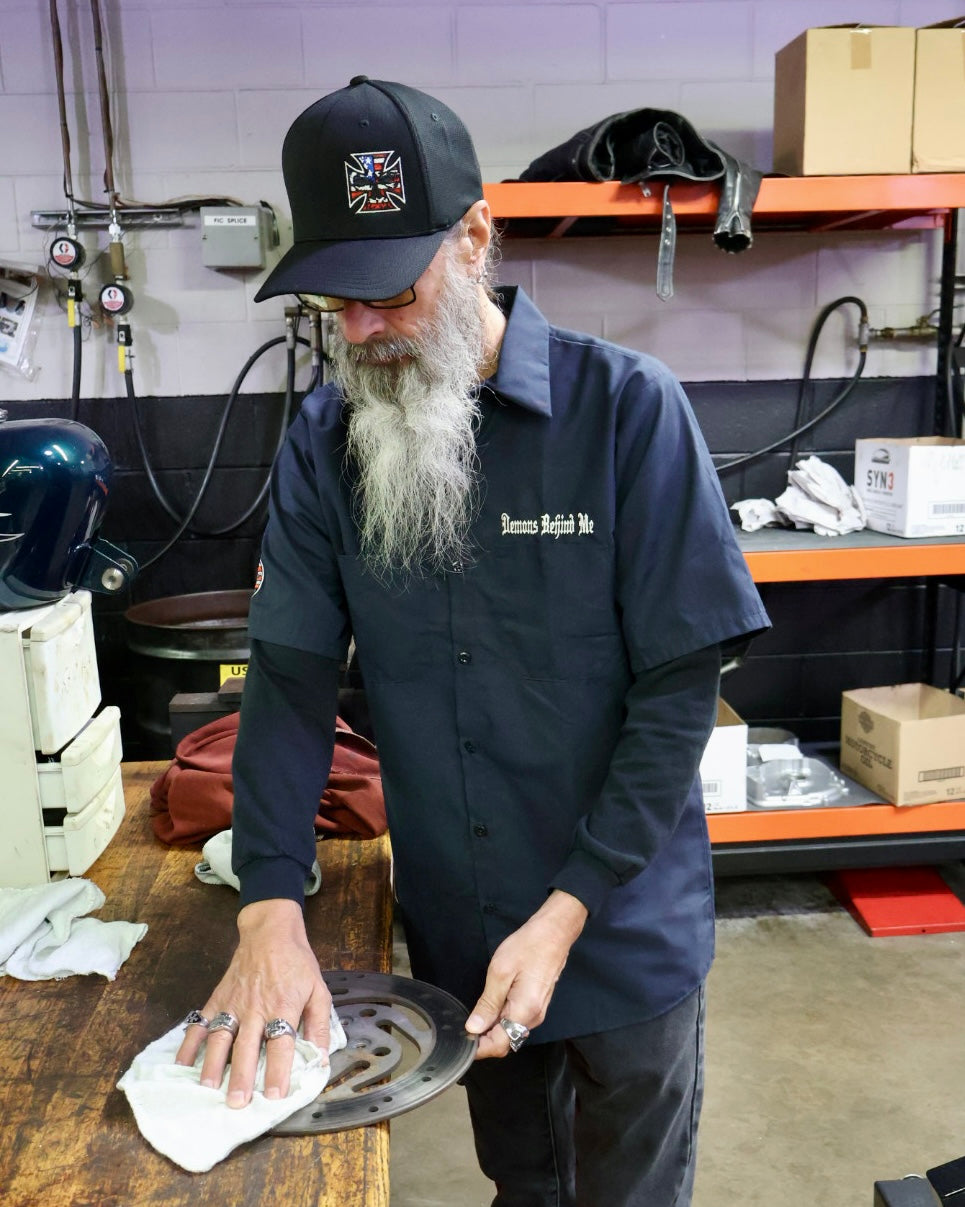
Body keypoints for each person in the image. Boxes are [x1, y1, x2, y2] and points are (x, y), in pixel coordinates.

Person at [176, 75, 770, 1206]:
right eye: (332, 303)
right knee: (521, 1183)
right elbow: (292, 682)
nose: (358, 332)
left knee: (629, 1191)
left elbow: (676, 692)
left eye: (386, 293)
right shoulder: (326, 443)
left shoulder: (627, 411)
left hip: (619, 921)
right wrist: (267, 903)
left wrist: (567, 907)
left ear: (474, 241)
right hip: (457, 923)